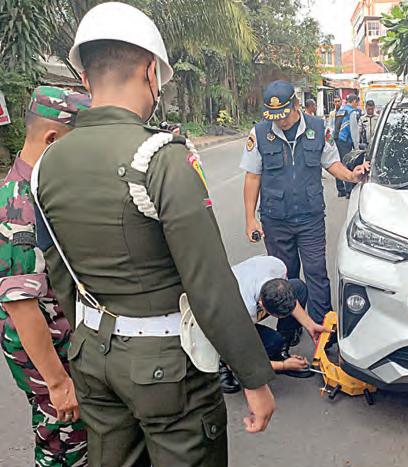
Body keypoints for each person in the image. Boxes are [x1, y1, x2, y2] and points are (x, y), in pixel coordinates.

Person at [33, 3, 275, 466]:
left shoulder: (46, 164)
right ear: (150, 72)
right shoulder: (161, 159)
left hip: (93, 357)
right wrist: (253, 377)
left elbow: (60, 273)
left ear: (85, 77)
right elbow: (209, 284)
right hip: (167, 368)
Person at [0, 86, 90, 467]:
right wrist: (58, 382)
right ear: (52, 139)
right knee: (64, 449)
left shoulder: (45, 188)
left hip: (65, 347)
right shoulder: (19, 204)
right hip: (49, 358)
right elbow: (21, 307)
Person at [241, 80, 368, 325]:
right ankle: (290, 328)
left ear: (296, 105)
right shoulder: (259, 133)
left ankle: (323, 328)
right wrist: (250, 219)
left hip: (310, 217)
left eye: (284, 114)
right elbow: (252, 176)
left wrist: (352, 176)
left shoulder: (318, 129)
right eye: (275, 117)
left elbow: (332, 163)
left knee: (316, 272)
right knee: (283, 277)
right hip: (275, 219)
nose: (281, 121)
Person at [219, 256, 331, 393]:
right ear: (262, 305)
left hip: (243, 297)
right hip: (219, 319)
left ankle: (280, 352)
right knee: (267, 343)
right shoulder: (241, 309)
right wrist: (283, 366)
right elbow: (244, 361)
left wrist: (310, 324)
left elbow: (287, 297)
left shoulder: (277, 266)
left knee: (298, 287)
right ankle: (220, 363)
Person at [335, 94, 361, 198]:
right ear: (354, 101)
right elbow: (354, 131)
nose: (357, 105)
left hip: (337, 139)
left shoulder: (340, 110)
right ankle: (349, 191)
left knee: (337, 164)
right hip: (345, 141)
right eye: (357, 103)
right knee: (347, 165)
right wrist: (356, 146)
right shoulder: (352, 112)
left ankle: (340, 190)